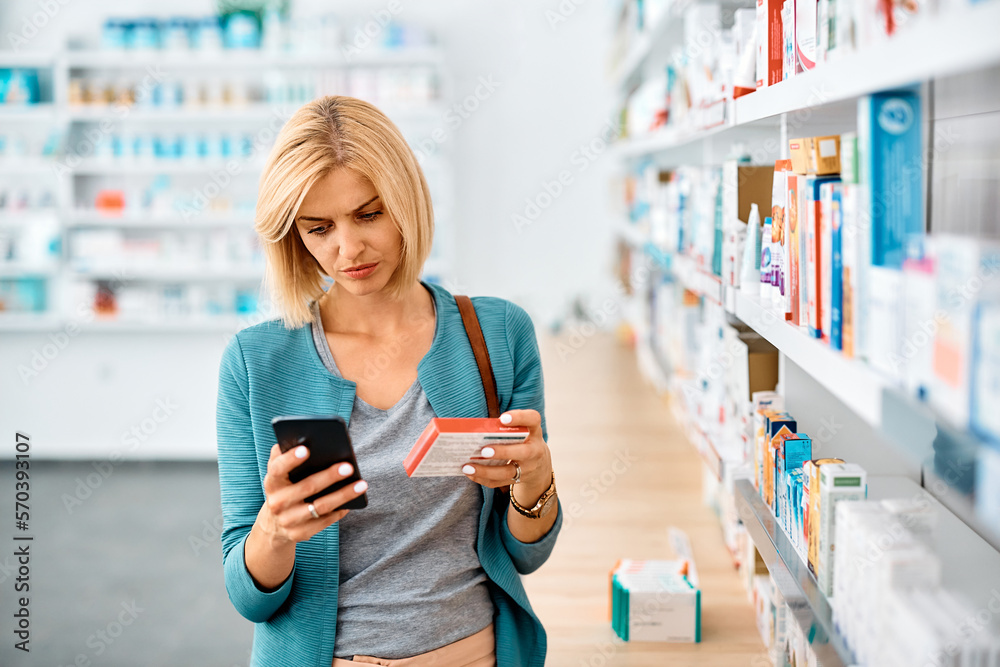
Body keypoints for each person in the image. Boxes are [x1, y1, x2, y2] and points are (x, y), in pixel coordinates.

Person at [215, 95, 562, 667]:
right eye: (319, 228)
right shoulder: (255, 361)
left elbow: (526, 555)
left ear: (407, 202)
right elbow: (247, 594)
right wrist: (274, 532)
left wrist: (537, 481)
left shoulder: (499, 334)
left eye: (369, 214)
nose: (347, 249)